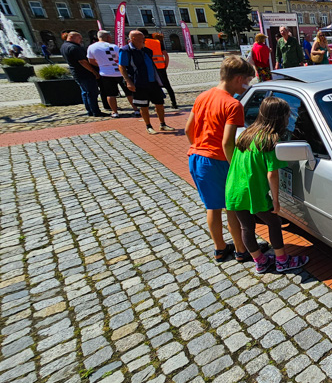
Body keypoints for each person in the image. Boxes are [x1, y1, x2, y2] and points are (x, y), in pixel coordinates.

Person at [226, 96, 310, 274]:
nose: (289, 119)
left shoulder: (247, 134)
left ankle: (260, 261)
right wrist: (276, 201)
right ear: (280, 118)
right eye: (288, 115)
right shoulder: (269, 141)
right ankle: (282, 260)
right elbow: (272, 174)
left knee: (246, 227)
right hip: (253, 192)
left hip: (234, 190)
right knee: (274, 222)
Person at [186, 56, 258, 263]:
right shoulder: (233, 104)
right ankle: (240, 249)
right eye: (248, 80)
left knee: (212, 207)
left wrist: (200, 146)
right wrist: (235, 165)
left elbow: (188, 129)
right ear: (238, 78)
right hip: (218, 161)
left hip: (197, 158)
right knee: (232, 207)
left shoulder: (203, 96)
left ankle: (219, 248)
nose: (248, 85)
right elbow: (227, 141)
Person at [119, 30, 175, 134]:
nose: (144, 40)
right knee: (143, 105)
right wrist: (128, 81)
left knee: (159, 103)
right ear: (133, 39)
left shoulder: (147, 50)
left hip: (153, 81)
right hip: (139, 82)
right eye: (142, 38)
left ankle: (163, 124)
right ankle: (148, 126)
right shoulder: (126, 50)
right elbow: (121, 66)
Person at [87, 30, 133, 118]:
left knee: (110, 94)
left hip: (105, 73)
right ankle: (136, 109)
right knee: (128, 92)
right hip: (119, 72)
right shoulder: (113, 46)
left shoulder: (91, 47)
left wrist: (101, 64)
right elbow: (121, 59)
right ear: (108, 37)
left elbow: (91, 61)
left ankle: (115, 112)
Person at [61, 31, 106, 117]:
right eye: (79, 38)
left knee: (85, 92)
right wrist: (94, 71)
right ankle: (95, 111)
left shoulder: (64, 46)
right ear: (72, 37)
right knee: (91, 92)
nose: (81, 40)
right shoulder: (74, 47)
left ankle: (90, 110)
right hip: (84, 73)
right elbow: (82, 61)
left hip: (77, 73)